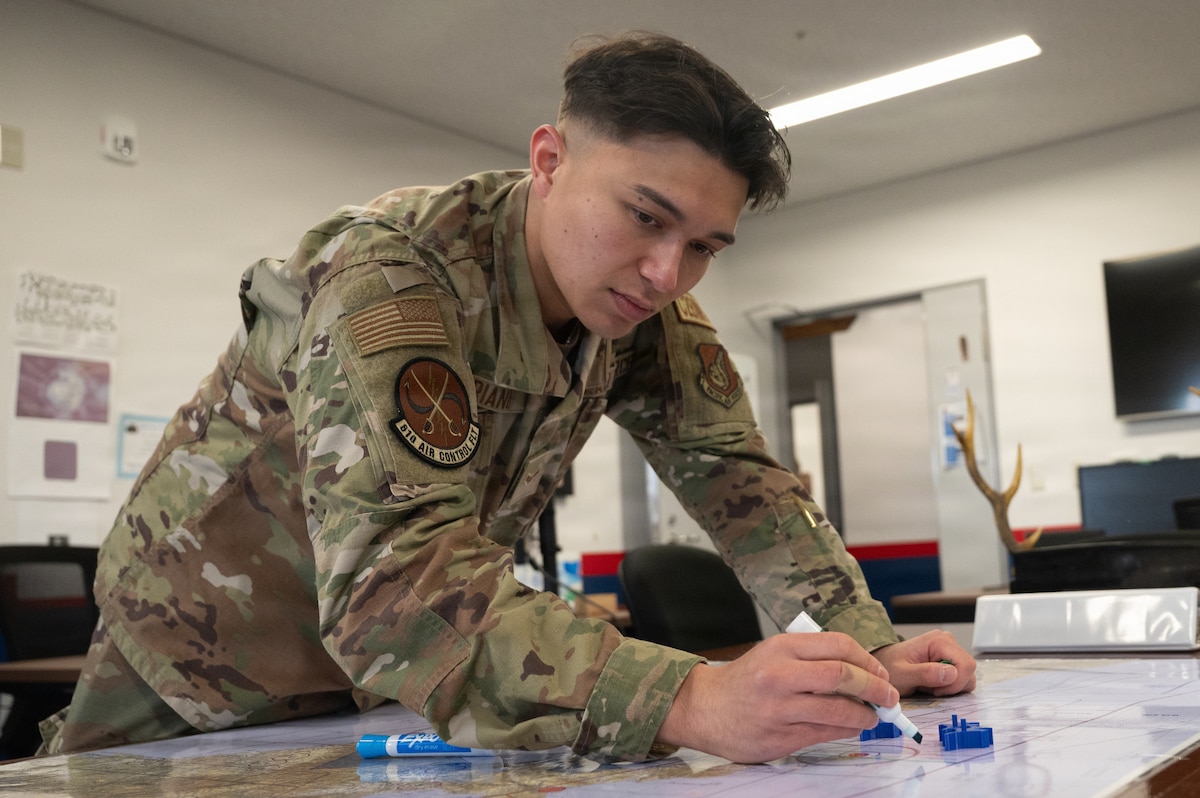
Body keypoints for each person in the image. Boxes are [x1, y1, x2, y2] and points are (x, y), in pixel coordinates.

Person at [41, 30, 975, 763]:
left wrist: (863, 649)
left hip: (375, 680)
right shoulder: (392, 274)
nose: (666, 272)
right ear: (549, 160)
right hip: (197, 658)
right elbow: (395, 586)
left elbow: (743, 484)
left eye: (702, 246)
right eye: (645, 216)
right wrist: (689, 699)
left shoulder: (642, 309)